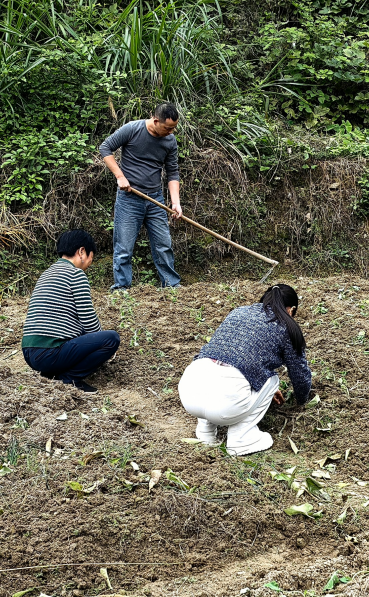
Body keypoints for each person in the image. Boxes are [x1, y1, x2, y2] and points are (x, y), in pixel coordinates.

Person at [177, 284, 313, 456]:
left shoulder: (238, 312)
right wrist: (302, 400)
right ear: (291, 310)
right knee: (272, 379)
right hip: (225, 404)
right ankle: (241, 438)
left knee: (216, 367)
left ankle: (205, 432)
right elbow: (299, 374)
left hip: (190, 391)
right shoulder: (286, 326)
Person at [22, 230, 120, 393]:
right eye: (91, 258)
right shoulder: (76, 274)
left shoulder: (46, 274)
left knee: (81, 333)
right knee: (110, 339)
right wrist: (99, 344)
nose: (89, 264)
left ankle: (51, 374)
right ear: (82, 252)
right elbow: (89, 322)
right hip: (49, 353)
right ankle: (69, 378)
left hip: (29, 353)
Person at [99, 102, 182, 291]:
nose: (171, 132)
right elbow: (105, 148)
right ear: (155, 120)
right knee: (124, 248)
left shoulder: (170, 141)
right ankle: (121, 289)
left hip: (155, 200)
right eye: (167, 127)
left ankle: (171, 286)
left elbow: (173, 173)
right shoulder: (132, 129)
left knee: (163, 245)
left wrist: (175, 203)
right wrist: (120, 176)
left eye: (174, 128)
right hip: (129, 198)